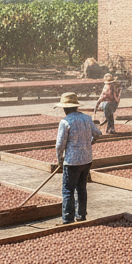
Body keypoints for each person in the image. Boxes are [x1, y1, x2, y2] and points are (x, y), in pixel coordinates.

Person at [53, 92, 101, 223]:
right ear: (76, 106)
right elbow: (98, 133)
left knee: (68, 190)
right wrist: (90, 141)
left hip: (72, 162)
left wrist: (60, 160)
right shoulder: (86, 118)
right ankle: (81, 215)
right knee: (81, 188)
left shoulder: (65, 122)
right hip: (87, 160)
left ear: (64, 108)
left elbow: (59, 145)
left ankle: (67, 219)